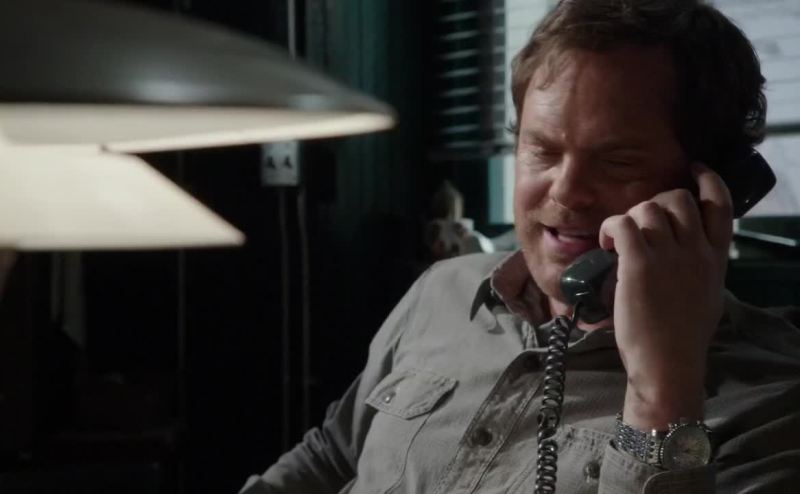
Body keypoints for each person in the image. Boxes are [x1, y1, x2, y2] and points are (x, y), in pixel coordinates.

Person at [241, 1, 800, 492]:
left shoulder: (773, 401)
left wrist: (662, 392)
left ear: (708, 194)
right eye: (542, 151)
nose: (565, 192)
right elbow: (333, 456)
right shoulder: (444, 290)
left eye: (617, 162)